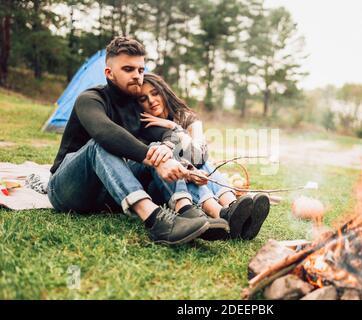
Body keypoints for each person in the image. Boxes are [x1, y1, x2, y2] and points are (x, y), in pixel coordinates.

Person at [47, 36, 228, 245]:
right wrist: (153, 159)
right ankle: (156, 221)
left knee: (158, 148)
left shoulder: (136, 109)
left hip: (109, 193)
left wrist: (167, 151)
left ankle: (189, 212)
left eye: (140, 70)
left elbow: (164, 135)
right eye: (128, 69)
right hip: (68, 190)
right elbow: (105, 132)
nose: (137, 76)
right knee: (99, 145)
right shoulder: (90, 99)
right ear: (109, 73)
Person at [138, 73, 270, 240]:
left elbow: (199, 154)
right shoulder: (144, 126)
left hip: (193, 171)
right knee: (180, 157)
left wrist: (173, 126)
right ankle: (220, 212)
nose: (150, 100)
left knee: (200, 160)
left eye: (154, 93)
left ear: (163, 92)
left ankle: (232, 208)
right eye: (143, 98)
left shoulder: (185, 116)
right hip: (164, 185)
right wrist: (181, 139)